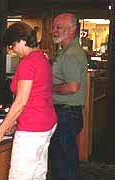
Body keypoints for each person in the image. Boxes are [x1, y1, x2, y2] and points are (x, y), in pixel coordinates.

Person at [0, 22, 57, 180]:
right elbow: (37, 94)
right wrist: (14, 121)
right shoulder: (42, 58)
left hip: (32, 128)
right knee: (37, 174)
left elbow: (20, 102)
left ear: (22, 40)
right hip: (47, 123)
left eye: (12, 46)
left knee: (19, 176)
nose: (11, 50)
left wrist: (0, 130)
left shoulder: (28, 62)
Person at [49, 13, 88, 180]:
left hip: (66, 115)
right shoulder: (65, 51)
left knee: (64, 164)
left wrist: (48, 88)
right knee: (62, 162)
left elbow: (72, 87)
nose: (53, 31)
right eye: (53, 27)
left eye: (58, 27)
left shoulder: (72, 53)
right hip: (65, 114)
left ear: (72, 29)